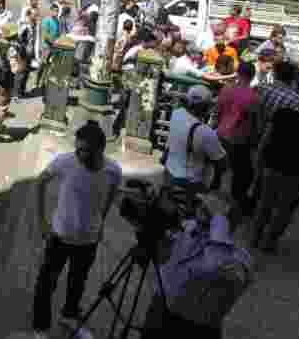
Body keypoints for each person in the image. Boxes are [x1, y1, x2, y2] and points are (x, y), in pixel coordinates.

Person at [33, 123, 122, 338]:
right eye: (77, 148)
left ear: (100, 150)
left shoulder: (113, 171)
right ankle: (41, 327)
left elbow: (112, 193)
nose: (79, 154)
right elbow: (41, 181)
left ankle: (69, 316)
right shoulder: (65, 162)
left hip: (88, 241)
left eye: (85, 150)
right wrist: (42, 222)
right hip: (59, 237)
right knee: (46, 283)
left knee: (78, 283)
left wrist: (101, 221)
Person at [142, 193, 253, 338]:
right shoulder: (188, 227)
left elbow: (212, 267)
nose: (200, 207)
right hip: (159, 311)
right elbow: (161, 259)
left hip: (195, 329)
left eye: (207, 209)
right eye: (201, 204)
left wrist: (219, 223)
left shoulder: (239, 258)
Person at [249, 61, 299, 253]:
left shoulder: (279, 111)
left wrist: (259, 159)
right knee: (284, 210)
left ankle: (254, 238)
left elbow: (266, 136)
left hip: (271, 163)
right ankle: (269, 242)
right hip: (296, 172)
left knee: (264, 203)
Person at [165, 86, 227, 194]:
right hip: (190, 182)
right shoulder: (205, 132)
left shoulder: (176, 114)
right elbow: (222, 163)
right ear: (205, 107)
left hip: (169, 172)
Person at [213, 61, 258, 211]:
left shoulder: (226, 89)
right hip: (239, 140)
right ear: (252, 76)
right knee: (239, 174)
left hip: (221, 134)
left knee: (219, 169)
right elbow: (253, 122)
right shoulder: (253, 97)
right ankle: (231, 205)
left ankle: (213, 196)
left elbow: (217, 112)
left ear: (238, 73)